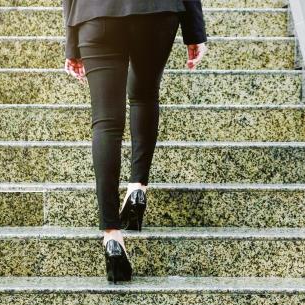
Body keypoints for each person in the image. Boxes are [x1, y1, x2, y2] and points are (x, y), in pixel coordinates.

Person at [62, 0, 207, 283]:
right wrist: (194, 31)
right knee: (144, 94)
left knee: (105, 121)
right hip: (156, 11)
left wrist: (71, 43)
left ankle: (112, 235)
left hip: (95, 13)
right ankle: (138, 187)